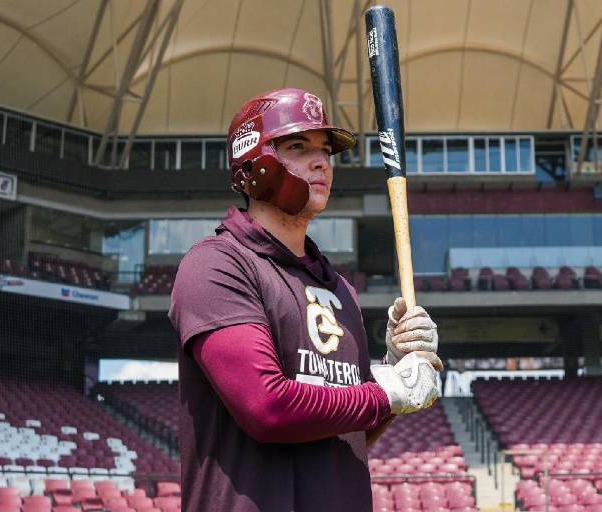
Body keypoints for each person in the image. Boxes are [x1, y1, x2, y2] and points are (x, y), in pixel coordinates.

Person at [168, 88, 442, 512]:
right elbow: (268, 407)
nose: (321, 162)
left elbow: (346, 430)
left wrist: (395, 371)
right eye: (298, 146)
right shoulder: (217, 266)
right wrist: (386, 393)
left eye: (326, 151)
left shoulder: (340, 290)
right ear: (253, 161)